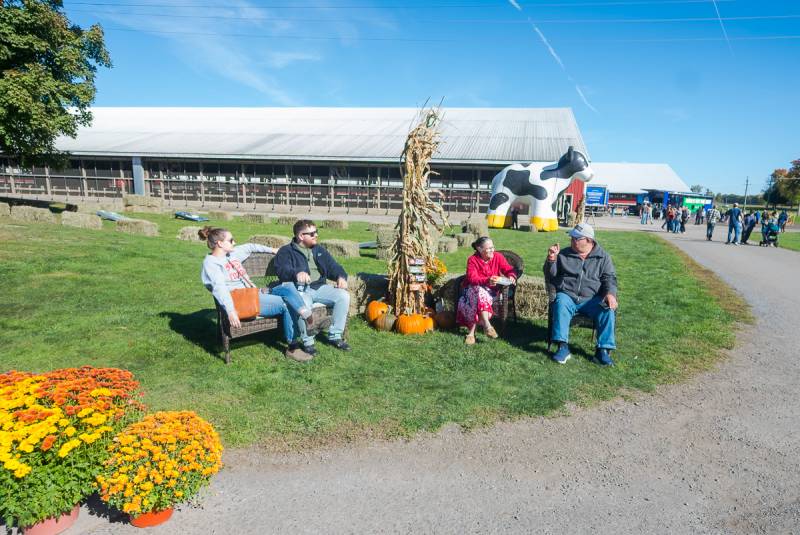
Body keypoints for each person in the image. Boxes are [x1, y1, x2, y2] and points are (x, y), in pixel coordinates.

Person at [199, 226, 314, 362]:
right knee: (286, 303)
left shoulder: (231, 254)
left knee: (287, 287)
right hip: (240, 300)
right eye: (231, 240)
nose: (234, 242)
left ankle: (305, 313)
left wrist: (272, 250)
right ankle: (293, 347)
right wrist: (230, 311)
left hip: (252, 293)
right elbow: (219, 289)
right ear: (220, 243)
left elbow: (250, 246)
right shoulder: (211, 263)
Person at [544, 223, 618, 366]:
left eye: (576, 238)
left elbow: (609, 278)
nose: (572, 240)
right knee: (560, 302)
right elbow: (550, 276)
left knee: (608, 309)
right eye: (571, 237)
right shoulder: (564, 254)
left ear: (589, 240)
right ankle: (562, 347)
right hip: (568, 295)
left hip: (592, 299)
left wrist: (610, 293)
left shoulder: (603, 257)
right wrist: (552, 260)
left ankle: (602, 351)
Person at [274, 219, 351, 354]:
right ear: (301, 236)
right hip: (299, 289)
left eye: (316, 232)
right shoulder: (286, 251)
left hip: (319, 287)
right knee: (303, 304)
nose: (316, 235)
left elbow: (334, 266)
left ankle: (335, 335)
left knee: (343, 296)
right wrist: (296, 273)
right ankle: (308, 342)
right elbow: (282, 270)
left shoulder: (319, 250)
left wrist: (341, 277)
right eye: (312, 233)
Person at [456, 236, 517, 345]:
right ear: (479, 249)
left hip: (490, 291)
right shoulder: (472, 260)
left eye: (492, 247)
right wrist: (487, 280)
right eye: (488, 248)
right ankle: (487, 325)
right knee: (477, 291)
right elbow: (472, 279)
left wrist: (511, 275)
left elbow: (508, 269)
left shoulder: (498, 257)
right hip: (471, 289)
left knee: (478, 295)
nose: (492, 250)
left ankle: (471, 333)